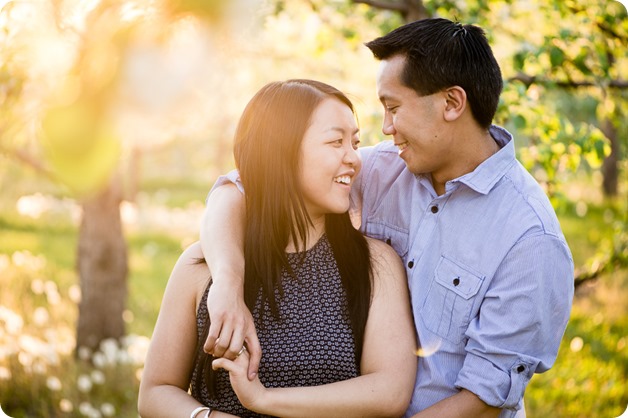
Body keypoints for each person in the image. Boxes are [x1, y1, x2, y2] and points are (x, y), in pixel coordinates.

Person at [197, 18, 575, 418]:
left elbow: (481, 399)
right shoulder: (383, 170)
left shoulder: (530, 238)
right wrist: (227, 282)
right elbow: (242, 187)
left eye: (393, 108)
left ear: (452, 103)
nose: (385, 127)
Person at [138, 79, 417, 418]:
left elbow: (390, 391)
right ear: (280, 151)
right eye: (335, 142)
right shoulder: (201, 267)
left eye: (354, 143)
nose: (354, 159)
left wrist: (264, 400)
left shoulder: (375, 264)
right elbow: (155, 392)